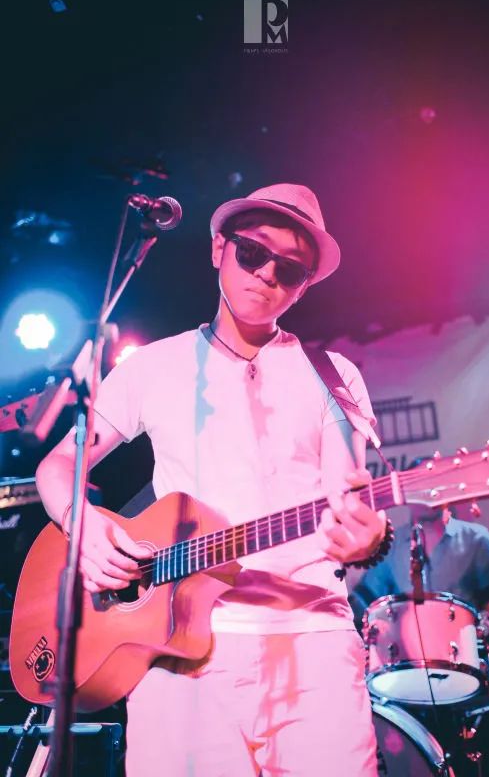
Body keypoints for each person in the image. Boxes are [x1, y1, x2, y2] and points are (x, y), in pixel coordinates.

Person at [35, 183, 391, 777]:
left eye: (290, 269)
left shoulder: (334, 375)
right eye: (253, 253)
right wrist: (84, 524)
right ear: (219, 249)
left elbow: (347, 498)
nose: (268, 274)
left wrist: (364, 537)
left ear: (303, 286)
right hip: (177, 651)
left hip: (313, 646)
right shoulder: (151, 367)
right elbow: (56, 467)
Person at [349, 503, 489, 624]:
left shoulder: (477, 538)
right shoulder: (391, 544)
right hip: (407, 649)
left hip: (464, 647)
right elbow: (365, 598)